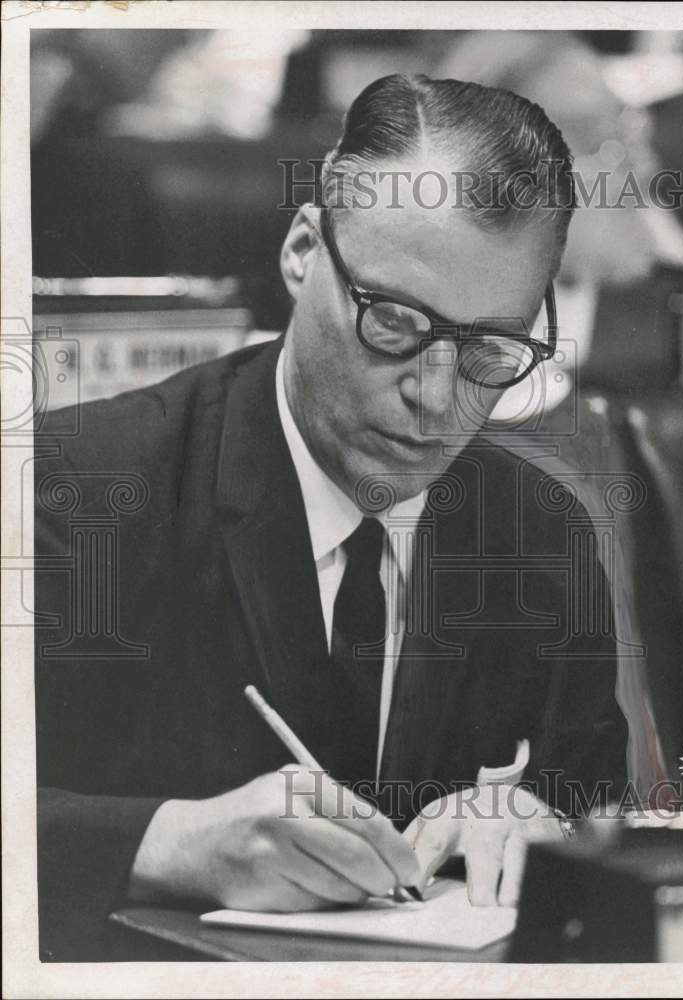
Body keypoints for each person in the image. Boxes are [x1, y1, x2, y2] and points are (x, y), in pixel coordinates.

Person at [35, 74, 628, 961]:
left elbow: (598, 799)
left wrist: (542, 822)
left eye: (489, 351)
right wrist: (171, 843)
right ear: (304, 251)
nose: (434, 401)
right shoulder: (79, 490)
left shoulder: (538, 527)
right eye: (393, 322)